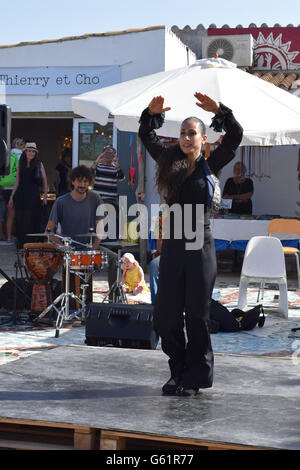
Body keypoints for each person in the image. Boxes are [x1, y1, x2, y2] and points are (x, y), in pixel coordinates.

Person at [138, 93, 243, 396]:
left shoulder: (212, 165)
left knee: (197, 315)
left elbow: (235, 135)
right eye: (182, 132)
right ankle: (178, 368)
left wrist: (219, 110)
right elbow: (146, 135)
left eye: (192, 132)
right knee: (166, 315)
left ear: (203, 138)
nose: (186, 137)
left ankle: (194, 375)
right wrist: (150, 113)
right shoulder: (168, 162)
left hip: (201, 247)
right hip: (172, 245)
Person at [46, 165, 104, 249]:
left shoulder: (96, 198)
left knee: (115, 258)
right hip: (67, 251)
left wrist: (92, 251)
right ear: (72, 181)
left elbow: (100, 230)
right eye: (79, 181)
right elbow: (48, 231)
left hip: (90, 250)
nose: (82, 185)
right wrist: (64, 249)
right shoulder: (61, 201)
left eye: (85, 181)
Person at [8, 142, 48, 249]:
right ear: (25, 152)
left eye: (33, 151)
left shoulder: (39, 164)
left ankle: (31, 244)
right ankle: (22, 244)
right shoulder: (20, 164)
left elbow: (44, 180)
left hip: (33, 194)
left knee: (31, 219)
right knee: (20, 219)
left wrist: (45, 195)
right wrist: (12, 196)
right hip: (21, 194)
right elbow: (17, 181)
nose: (31, 153)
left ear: (35, 153)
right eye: (29, 151)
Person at [0, 137, 25, 244]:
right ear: (20, 145)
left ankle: (7, 235)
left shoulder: (7, 154)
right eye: (23, 145)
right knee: (12, 214)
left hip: (5, 187)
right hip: (15, 187)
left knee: (6, 213)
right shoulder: (20, 155)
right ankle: (10, 237)